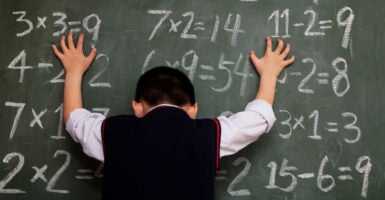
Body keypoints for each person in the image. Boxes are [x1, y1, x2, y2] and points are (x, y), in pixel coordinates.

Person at [52, 32, 295, 200]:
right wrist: (270, 74)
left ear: (138, 106)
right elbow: (260, 117)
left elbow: (74, 119)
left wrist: (73, 70)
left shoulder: (113, 133)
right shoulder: (209, 136)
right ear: (193, 109)